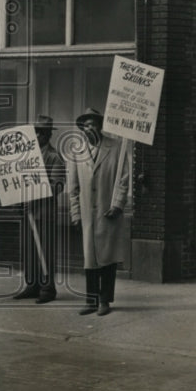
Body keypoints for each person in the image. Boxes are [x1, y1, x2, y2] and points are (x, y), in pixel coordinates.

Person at [66, 108, 130, 316]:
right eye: (85, 125)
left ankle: (105, 300)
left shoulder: (117, 147)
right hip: (87, 215)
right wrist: (75, 214)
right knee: (90, 259)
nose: (89, 128)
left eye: (93, 123)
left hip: (107, 211)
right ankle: (91, 300)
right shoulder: (76, 151)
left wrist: (118, 205)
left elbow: (124, 179)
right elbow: (73, 187)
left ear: (100, 126)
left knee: (107, 258)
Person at [15, 115, 65, 304]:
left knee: (46, 251)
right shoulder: (26, 156)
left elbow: (59, 185)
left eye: (41, 132)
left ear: (48, 135)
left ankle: (47, 288)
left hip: (45, 213)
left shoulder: (54, 157)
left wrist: (35, 189)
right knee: (29, 250)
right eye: (35, 131)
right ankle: (32, 285)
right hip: (28, 212)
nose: (37, 135)